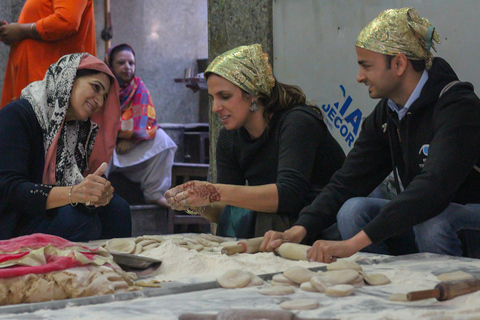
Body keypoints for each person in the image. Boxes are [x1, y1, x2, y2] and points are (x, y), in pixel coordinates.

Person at [260, 7, 480, 262]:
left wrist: (351, 244)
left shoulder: (457, 106)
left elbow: (432, 189)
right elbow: (348, 180)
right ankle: (392, 285)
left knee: (434, 222)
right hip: (428, 215)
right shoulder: (387, 114)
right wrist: (299, 229)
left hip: (459, 218)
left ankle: (449, 291)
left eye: (366, 66)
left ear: (398, 63)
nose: (359, 77)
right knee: (353, 211)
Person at [164, 44, 346, 238]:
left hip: (322, 220)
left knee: (262, 221)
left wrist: (214, 191)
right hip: (276, 223)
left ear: (253, 94)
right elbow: (228, 213)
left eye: (225, 96)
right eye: (212, 98)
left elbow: (289, 196)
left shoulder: (297, 122)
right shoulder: (229, 137)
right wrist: (198, 203)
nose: (216, 107)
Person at [0, 52, 132, 242]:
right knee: (77, 220)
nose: (100, 102)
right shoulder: (17, 116)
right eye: (95, 87)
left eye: (104, 97)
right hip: (14, 220)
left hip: (52, 213)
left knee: (118, 209)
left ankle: (111, 271)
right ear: (68, 77)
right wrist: (73, 194)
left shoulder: (78, 131)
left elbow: (81, 182)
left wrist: (96, 191)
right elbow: (8, 190)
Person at [105, 43, 177, 208]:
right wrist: (117, 139)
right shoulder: (103, 86)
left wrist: (132, 140)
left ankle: (154, 193)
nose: (127, 67)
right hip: (108, 147)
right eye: (121, 63)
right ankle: (94, 193)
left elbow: (148, 121)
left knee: (164, 141)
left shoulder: (139, 87)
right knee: (99, 140)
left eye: (131, 63)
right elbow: (101, 122)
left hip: (130, 146)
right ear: (110, 65)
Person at [0, 0, 97, 107]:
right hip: (35, 83)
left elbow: (66, 21)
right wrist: (10, 32)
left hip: (48, 86)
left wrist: (22, 31)